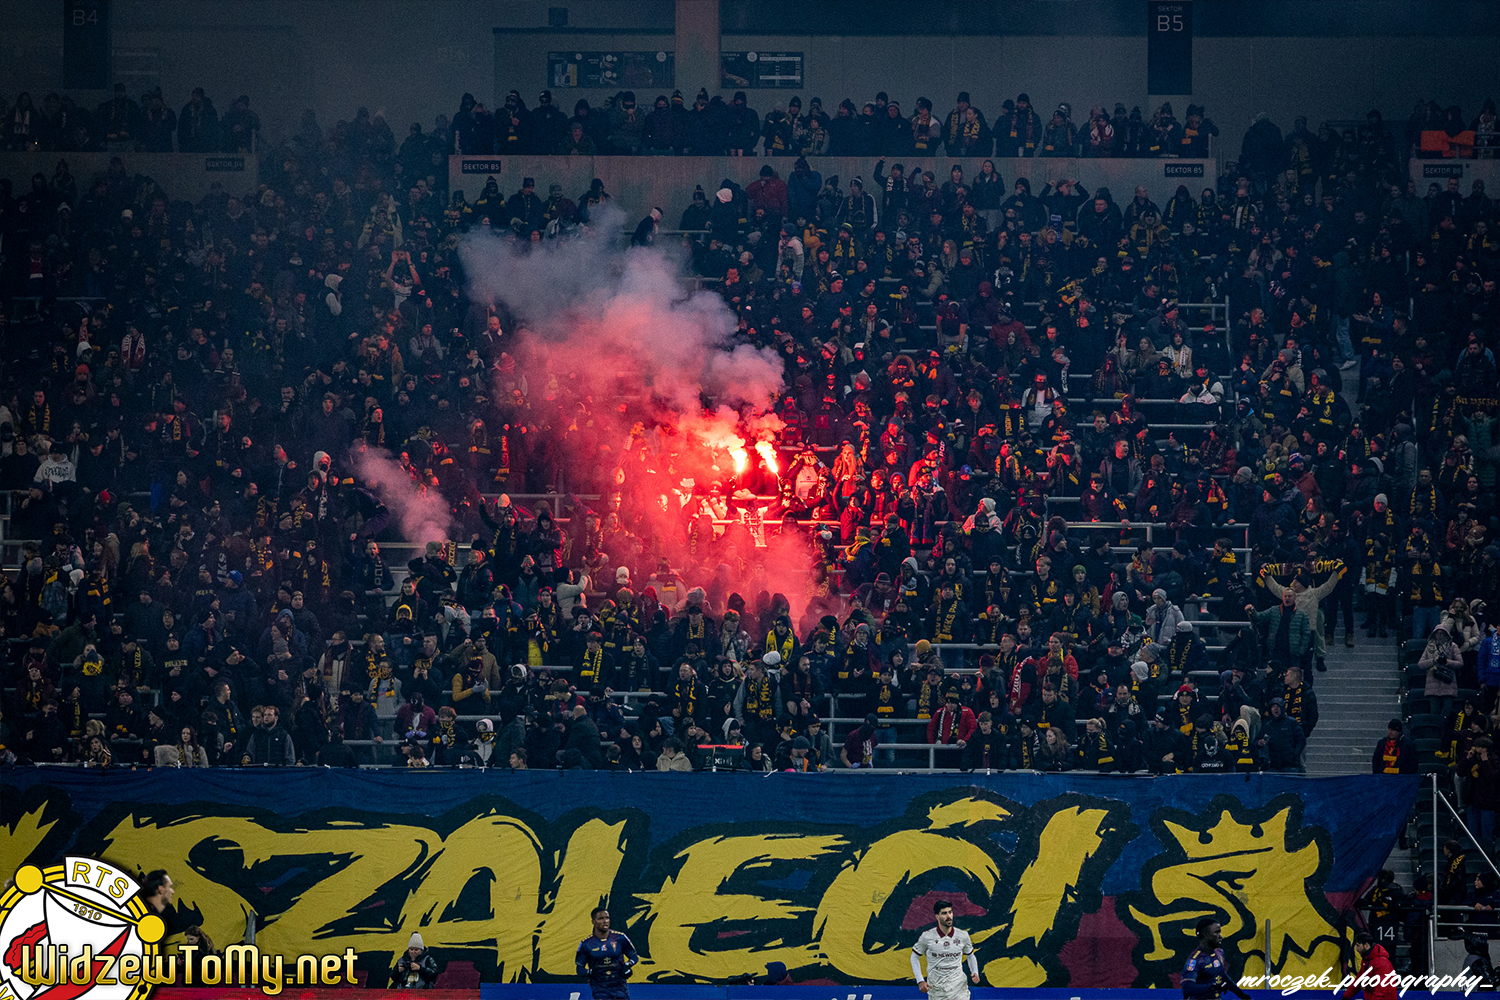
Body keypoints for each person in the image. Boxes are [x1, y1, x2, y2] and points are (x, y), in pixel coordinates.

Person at [911, 899, 979, 998]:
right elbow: (914, 957)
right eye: (944, 913)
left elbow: (970, 955)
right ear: (937, 916)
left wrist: (975, 972)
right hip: (937, 990)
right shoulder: (927, 937)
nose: (948, 916)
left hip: (959, 989)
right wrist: (920, 980)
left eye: (950, 912)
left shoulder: (963, 935)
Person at [1181, 917, 1252, 999]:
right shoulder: (1195, 960)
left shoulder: (1219, 953)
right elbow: (1187, 988)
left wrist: (1241, 994)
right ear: (1206, 935)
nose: (1220, 936)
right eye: (1216, 932)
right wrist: (1213, 987)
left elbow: (1222, 975)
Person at [576, 906, 638, 999]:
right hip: (600, 987)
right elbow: (579, 969)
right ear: (593, 921)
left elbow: (634, 956)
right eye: (601, 918)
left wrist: (628, 965)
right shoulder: (586, 944)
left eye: (607, 918)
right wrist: (590, 972)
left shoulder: (620, 938)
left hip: (619, 985)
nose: (605, 921)